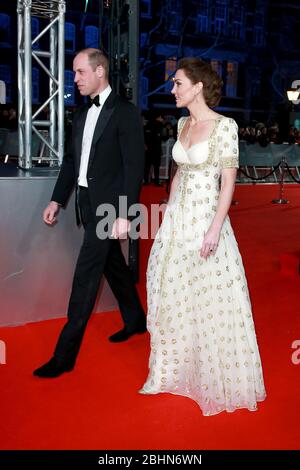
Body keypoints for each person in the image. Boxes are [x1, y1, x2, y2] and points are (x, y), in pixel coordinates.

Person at [139, 58, 266, 416]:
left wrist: (214, 228)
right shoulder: (182, 123)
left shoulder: (225, 126)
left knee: (209, 295)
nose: (172, 89)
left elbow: (228, 182)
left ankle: (212, 373)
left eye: (178, 83)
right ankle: (169, 372)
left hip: (206, 219)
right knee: (174, 292)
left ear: (197, 87)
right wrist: (168, 207)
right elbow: (180, 171)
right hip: (178, 219)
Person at [33, 48, 146, 378]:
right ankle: (136, 320)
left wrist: (125, 213)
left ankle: (64, 356)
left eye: (80, 72)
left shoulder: (125, 113)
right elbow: (72, 163)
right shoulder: (81, 114)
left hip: (110, 209)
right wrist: (57, 200)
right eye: (74, 73)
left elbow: (133, 168)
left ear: (100, 72)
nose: (76, 79)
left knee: (85, 278)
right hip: (85, 203)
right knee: (114, 265)